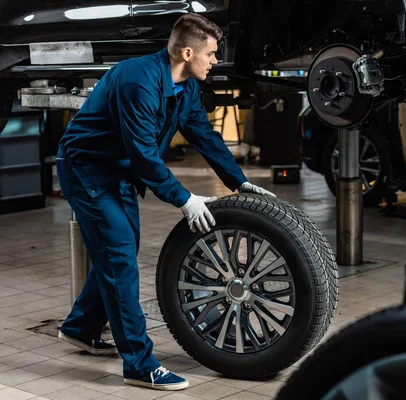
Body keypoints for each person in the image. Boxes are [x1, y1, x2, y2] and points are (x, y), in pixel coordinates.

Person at [54, 13, 275, 391]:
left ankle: (80, 327)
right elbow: (142, 154)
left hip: (119, 172)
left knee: (118, 252)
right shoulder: (137, 80)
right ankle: (139, 365)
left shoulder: (184, 86)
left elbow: (203, 134)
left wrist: (238, 182)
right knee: (120, 257)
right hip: (88, 171)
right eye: (212, 53)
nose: (216, 60)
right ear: (187, 52)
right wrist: (184, 198)